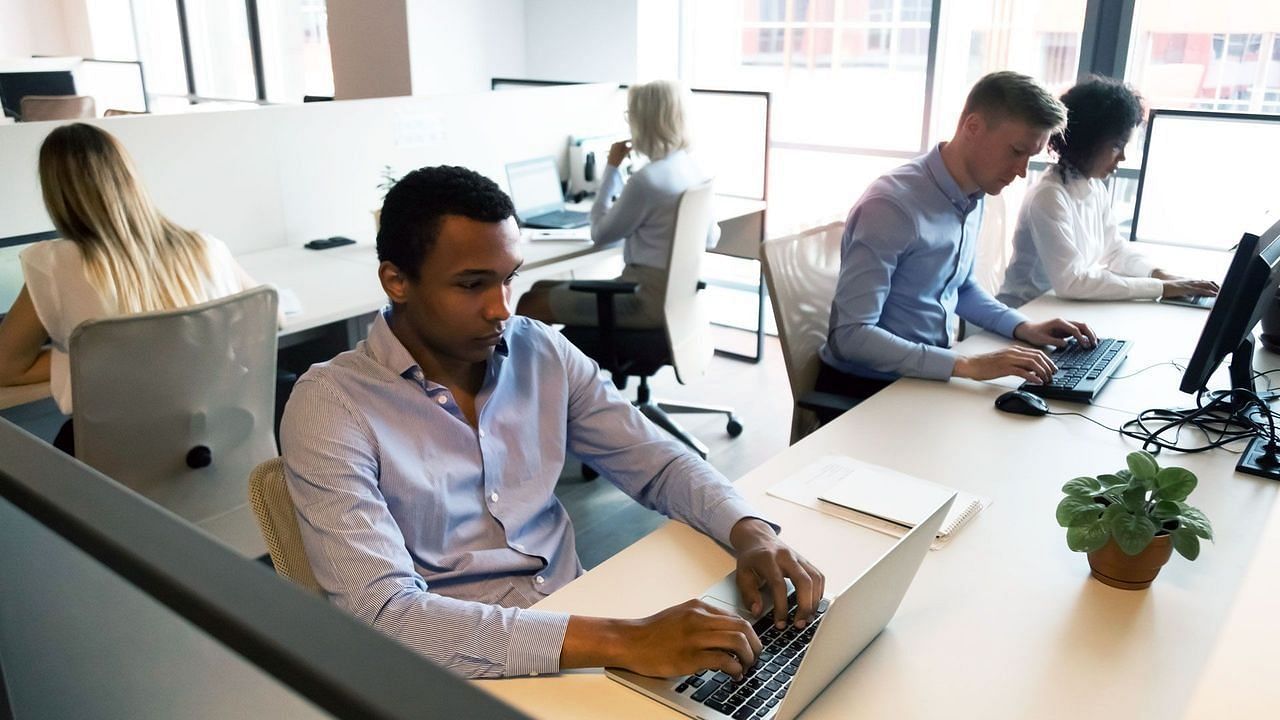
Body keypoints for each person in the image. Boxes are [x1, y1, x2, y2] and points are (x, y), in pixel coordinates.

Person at [279, 165, 823, 680]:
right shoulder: (332, 405)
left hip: (579, 625)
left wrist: (750, 531)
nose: (500, 308)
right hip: (458, 673)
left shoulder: (539, 350)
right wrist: (625, 641)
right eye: (472, 285)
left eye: (508, 280)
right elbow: (386, 615)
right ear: (396, 281)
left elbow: (655, 462)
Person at [816, 71, 1098, 402]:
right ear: (973, 127)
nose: (1022, 170)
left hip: (923, 376)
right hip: (866, 389)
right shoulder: (892, 207)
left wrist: (1024, 327)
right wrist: (967, 365)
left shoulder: (973, 194)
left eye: (1030, 157)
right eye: (1016, 151)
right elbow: (851, 336)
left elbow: (959, 287)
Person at [0, 123, 261, 450]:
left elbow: (7, 368)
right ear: (130, 177)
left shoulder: (51, 263)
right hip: (216, 439)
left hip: (116, 458)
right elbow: (265, 316)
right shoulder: (205, 246)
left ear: (55, 194)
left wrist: (93, 357)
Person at [997, 76, 1220, 307]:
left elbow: (1113, 250)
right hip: (1026, 313)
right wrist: (1161, 288)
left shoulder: (1093, 186)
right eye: (1116, 146)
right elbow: (1073, 281)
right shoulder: (1049, 196)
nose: (1122, 157)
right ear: (1088, 141)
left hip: (1060, 311)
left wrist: (1159, 274)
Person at [516, 79, 718, 327]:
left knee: (529, 303)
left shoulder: (647, 181)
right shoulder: (693, 170)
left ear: (644, 121)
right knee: (539, 288)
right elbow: (711, 238)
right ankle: (558, 363)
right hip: (675, 300)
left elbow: (600, 234)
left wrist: (611, 168)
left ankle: (538, 365)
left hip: (641, 299)